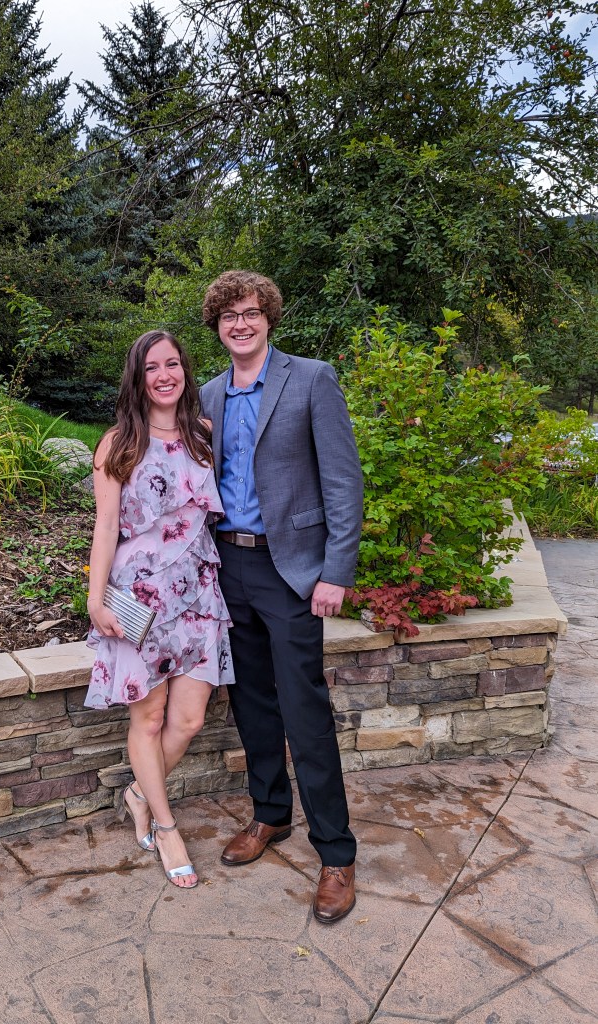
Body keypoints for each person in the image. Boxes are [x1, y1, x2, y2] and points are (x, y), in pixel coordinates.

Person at [200, 270, 364, 923]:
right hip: (227, 569)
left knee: (305, 712)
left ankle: (335, 854)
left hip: (291, 571)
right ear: (216, 327)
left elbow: (343, 483)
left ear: (268, 315)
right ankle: (269, 816)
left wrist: (336, 570)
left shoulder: (310, 379)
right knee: (253, 707)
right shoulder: (208, 394)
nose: (239, 323)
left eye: (249, 312)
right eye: (227, 316)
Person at [86, 330, 234, 890]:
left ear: (185, 371)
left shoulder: (203, 434)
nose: (165, 374)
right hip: (138, 595)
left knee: (190, 718)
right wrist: (95, 599)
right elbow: (104, 529)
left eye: (173, 363)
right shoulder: (117, 444)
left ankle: (136, 793)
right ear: (137, 377)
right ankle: (166, 825)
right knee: (147, 718)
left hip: (198, 590)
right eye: (153, 367)